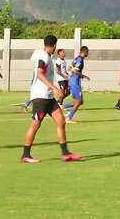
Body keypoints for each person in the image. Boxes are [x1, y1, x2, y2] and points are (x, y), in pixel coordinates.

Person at [21, 35, 82, 163]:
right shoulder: (43, 57)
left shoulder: (47, 57)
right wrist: (55, 88)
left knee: (61, 121)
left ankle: (65, 153)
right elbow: (39, 73)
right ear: (54, 45)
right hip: (40, 97)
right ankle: (25, 155)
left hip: (48, 97)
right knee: (35, 125)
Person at [62, 46, 90, 124]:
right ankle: (68, 118)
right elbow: (74, 70)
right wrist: (84, 76)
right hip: (75, 82)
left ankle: (62, 107)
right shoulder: (80, 59)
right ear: (84, 52)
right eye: (87, 52)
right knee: (78, 101)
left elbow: (69, 68)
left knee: (80, 102)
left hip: (73, 81)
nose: (88, 54)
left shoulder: (76, 59)